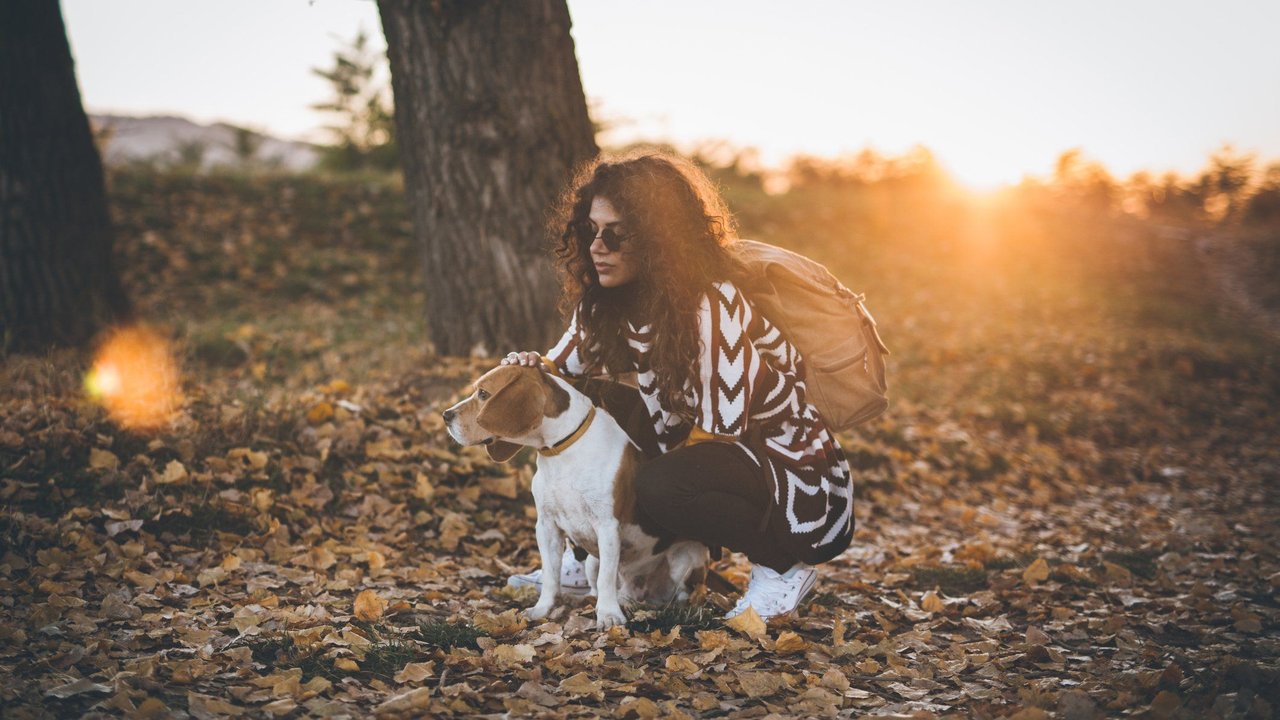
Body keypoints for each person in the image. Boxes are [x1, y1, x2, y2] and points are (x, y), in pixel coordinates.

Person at [503, 152, 854, 620]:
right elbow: (561, 370)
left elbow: (721, 428)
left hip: (786, 463)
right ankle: (589, 554)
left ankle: (781, 568)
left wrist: (643, 477)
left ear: (658, 238)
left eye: (616, 233)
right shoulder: (607, 303)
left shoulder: (714, 303)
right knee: (597, 398)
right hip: (706, 444)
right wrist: (530, 366)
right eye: (590, 231)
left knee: (662, 484)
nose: (597, 247)